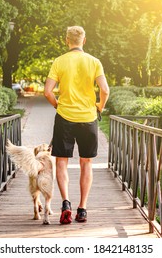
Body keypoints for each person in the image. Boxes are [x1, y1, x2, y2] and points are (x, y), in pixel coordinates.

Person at [44, 26, 110, 224]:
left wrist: (58, 106)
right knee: (86, 162)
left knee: (61, 161)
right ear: (84, 40)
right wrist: (99, 107)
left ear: (67, 40)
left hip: (65, 117)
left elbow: (47, 91)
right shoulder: (94, 62)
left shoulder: (59, 61)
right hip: (88, 117)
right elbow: (105, 90)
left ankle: (66, 203)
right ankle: (82, 209)